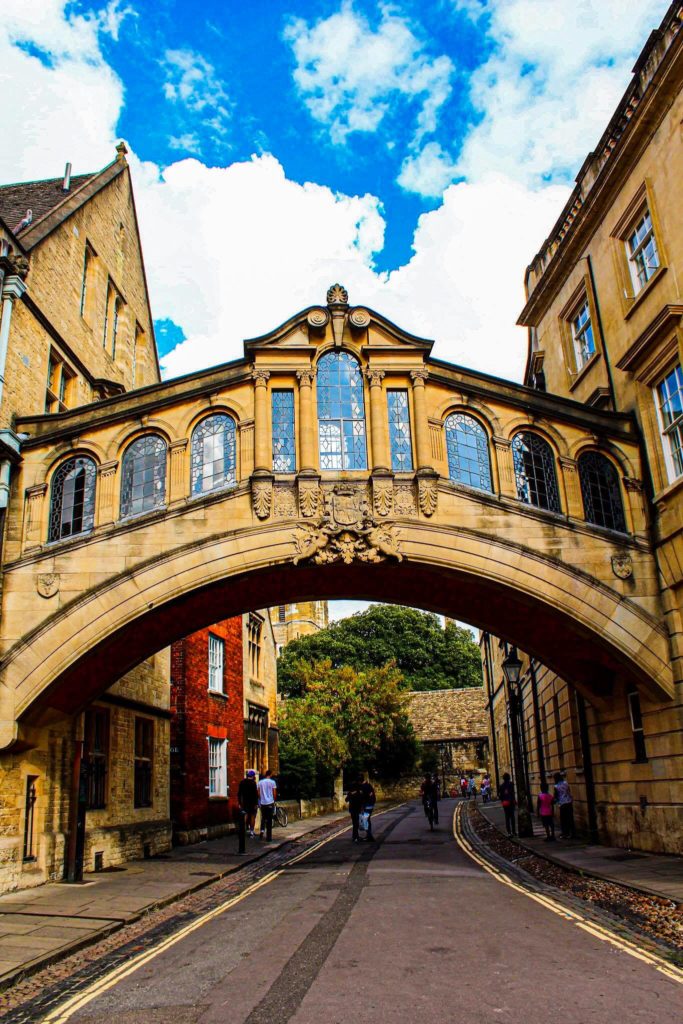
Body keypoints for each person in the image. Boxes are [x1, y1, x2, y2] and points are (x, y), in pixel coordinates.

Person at [553, 772, 575, 839]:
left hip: (562, 804)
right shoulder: (566, 783)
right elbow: (569, 791)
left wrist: (554, 801)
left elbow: (556, 796)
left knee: (563, 819)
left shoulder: (556, 786)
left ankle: (565, 833)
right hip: (569, 802)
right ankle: (572, 833)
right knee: (570, 818)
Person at [257, 768, 277, 840]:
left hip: (263, 803)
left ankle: (262, 832)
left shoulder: (260, 782)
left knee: (263, 818)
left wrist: (261, 799)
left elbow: (258, 793)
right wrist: (274, 801)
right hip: (270, 803)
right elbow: (274, 793)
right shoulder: (272, 782)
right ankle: (269, 837)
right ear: (270, 774)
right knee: (269, 819)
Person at [238, 769, 259, 837]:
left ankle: (242, 831)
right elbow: (255, 794)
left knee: (245, 816)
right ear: (253, 776)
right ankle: (252, 832)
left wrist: (239, 803)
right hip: (252, 802)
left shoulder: (242, 782)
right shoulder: (253, 783)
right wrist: (256, 803)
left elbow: (239, 793)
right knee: (253, 816)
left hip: (244, 802)